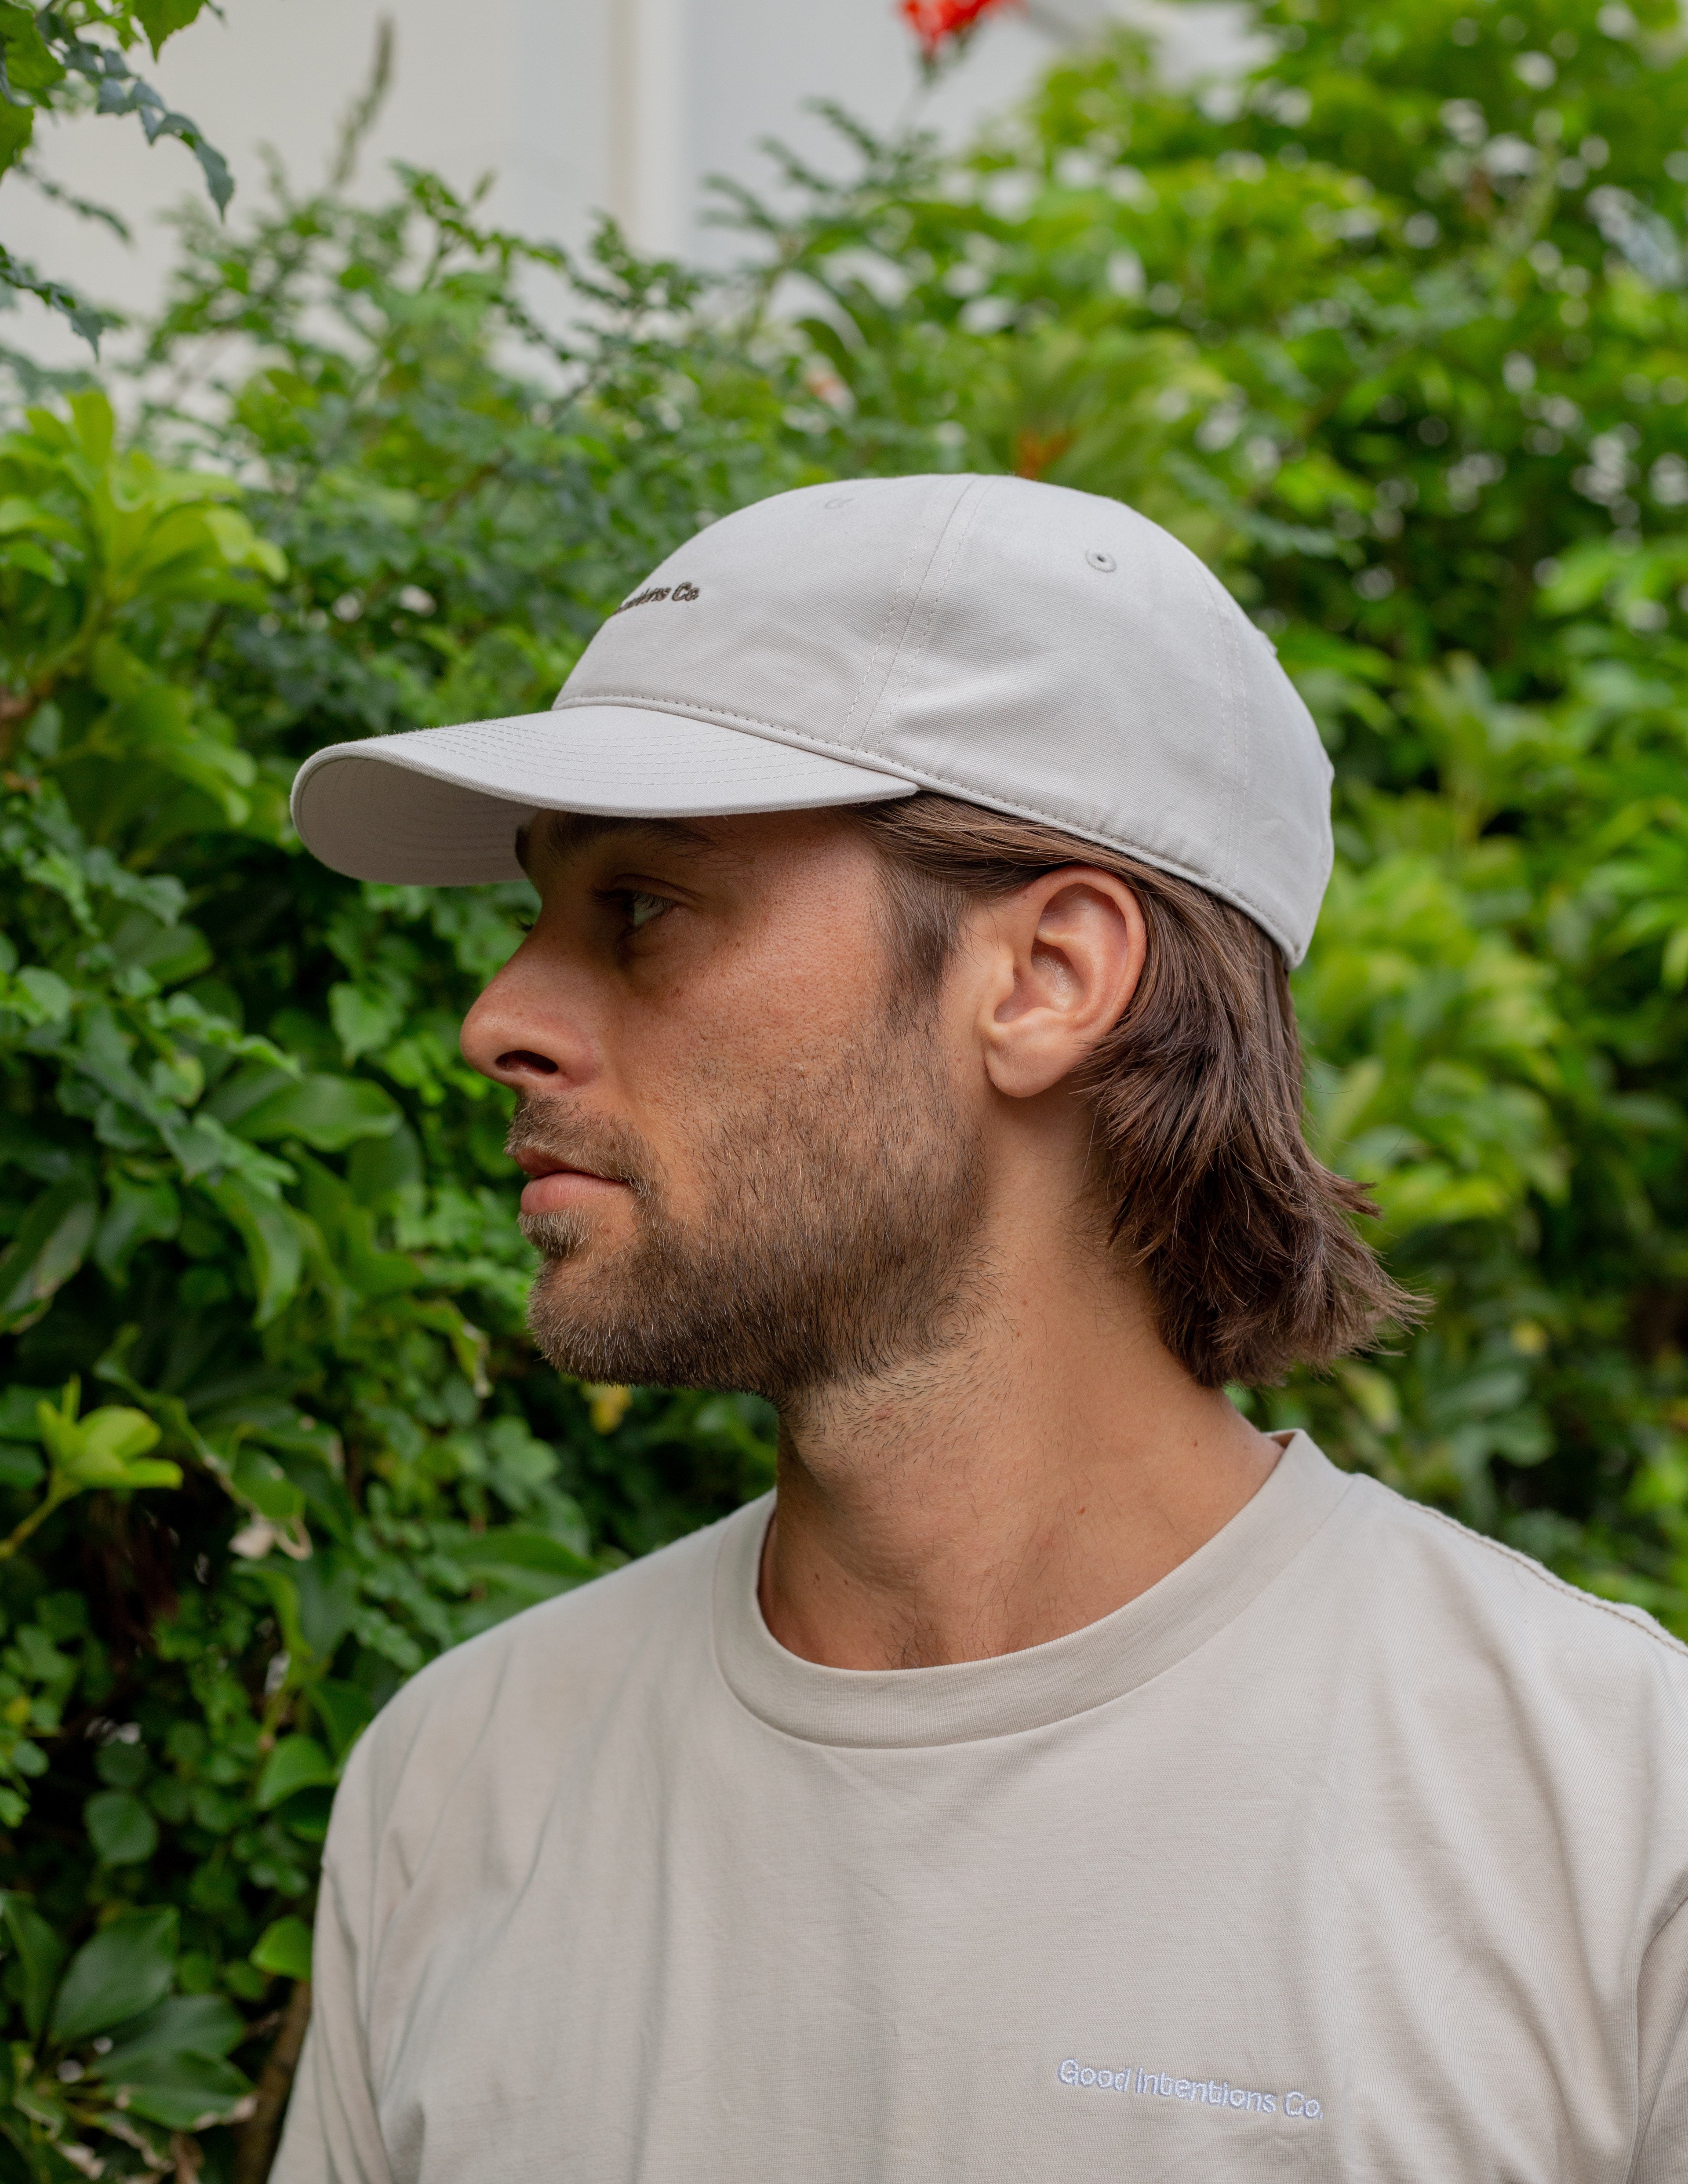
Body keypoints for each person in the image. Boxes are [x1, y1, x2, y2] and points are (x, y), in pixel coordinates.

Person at [276, 474, 1688, 2184]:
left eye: (640, 905)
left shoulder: (1617, 1822)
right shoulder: (454, 1792)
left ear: (1046, 977)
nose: (497, 1016)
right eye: (537, 911)